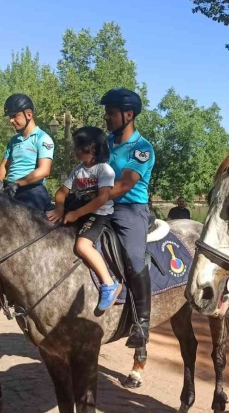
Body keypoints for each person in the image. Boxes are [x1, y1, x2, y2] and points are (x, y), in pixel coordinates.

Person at [99, 88, 155, 349]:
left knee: (134, 258)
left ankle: (142, 324)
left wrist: (92, 198)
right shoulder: (106, 143)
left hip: (129, 208)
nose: (106, 118)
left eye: (111, 113)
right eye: (106, 113)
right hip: (100, 204)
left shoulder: (142, 149)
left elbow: (122, 186)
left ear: (128, 115)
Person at [48, 127, 121, 311]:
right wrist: (59, 209)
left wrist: (76, 214)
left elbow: (102, 198)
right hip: (80, 210)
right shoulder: (78, 169)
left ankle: (109, 283)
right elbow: (62, 192)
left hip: (99, 214)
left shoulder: (104, 170)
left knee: (82, 245)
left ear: (92, 148)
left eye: (77, 145)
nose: (74, 149)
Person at [0, 93, 55, 212]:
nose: (11, 120)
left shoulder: (42, 138)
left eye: (14, 116)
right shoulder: (14, 140)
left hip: (32, 191)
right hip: (10, 188)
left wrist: (17, 184)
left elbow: (44, 170)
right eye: (10, 116)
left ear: (29, 114)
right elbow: (4, 165)